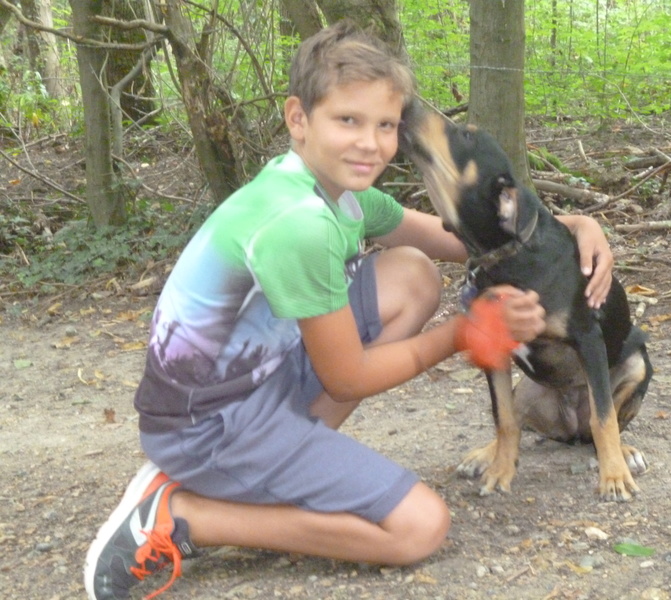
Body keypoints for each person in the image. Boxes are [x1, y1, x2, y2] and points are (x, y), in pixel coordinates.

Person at [84, 21, 614, 600]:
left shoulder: (336, 192)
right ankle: (181, 515)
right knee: (418, 529)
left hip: (242, 385)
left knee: (411, 273)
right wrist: (463, 333)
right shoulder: (300, 227)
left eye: (385, 125)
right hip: (207, 425)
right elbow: (348, 376)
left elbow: (459, 239)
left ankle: (281, 461)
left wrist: (577, 228)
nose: (370, 143)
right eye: (348, 121)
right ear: (298, 118)